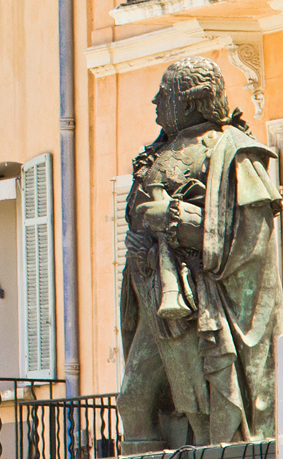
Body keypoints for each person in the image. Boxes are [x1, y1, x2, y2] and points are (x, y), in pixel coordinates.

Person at [118, 56, 280, 452]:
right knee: (134, 400)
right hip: (153, 293)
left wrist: (173, 217)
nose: (156, 101)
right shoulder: (159, 151)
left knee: (203, 412)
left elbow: (249, 240)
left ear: (191, 101)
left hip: (200, 304)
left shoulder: (235, 152)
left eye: (166, 93)